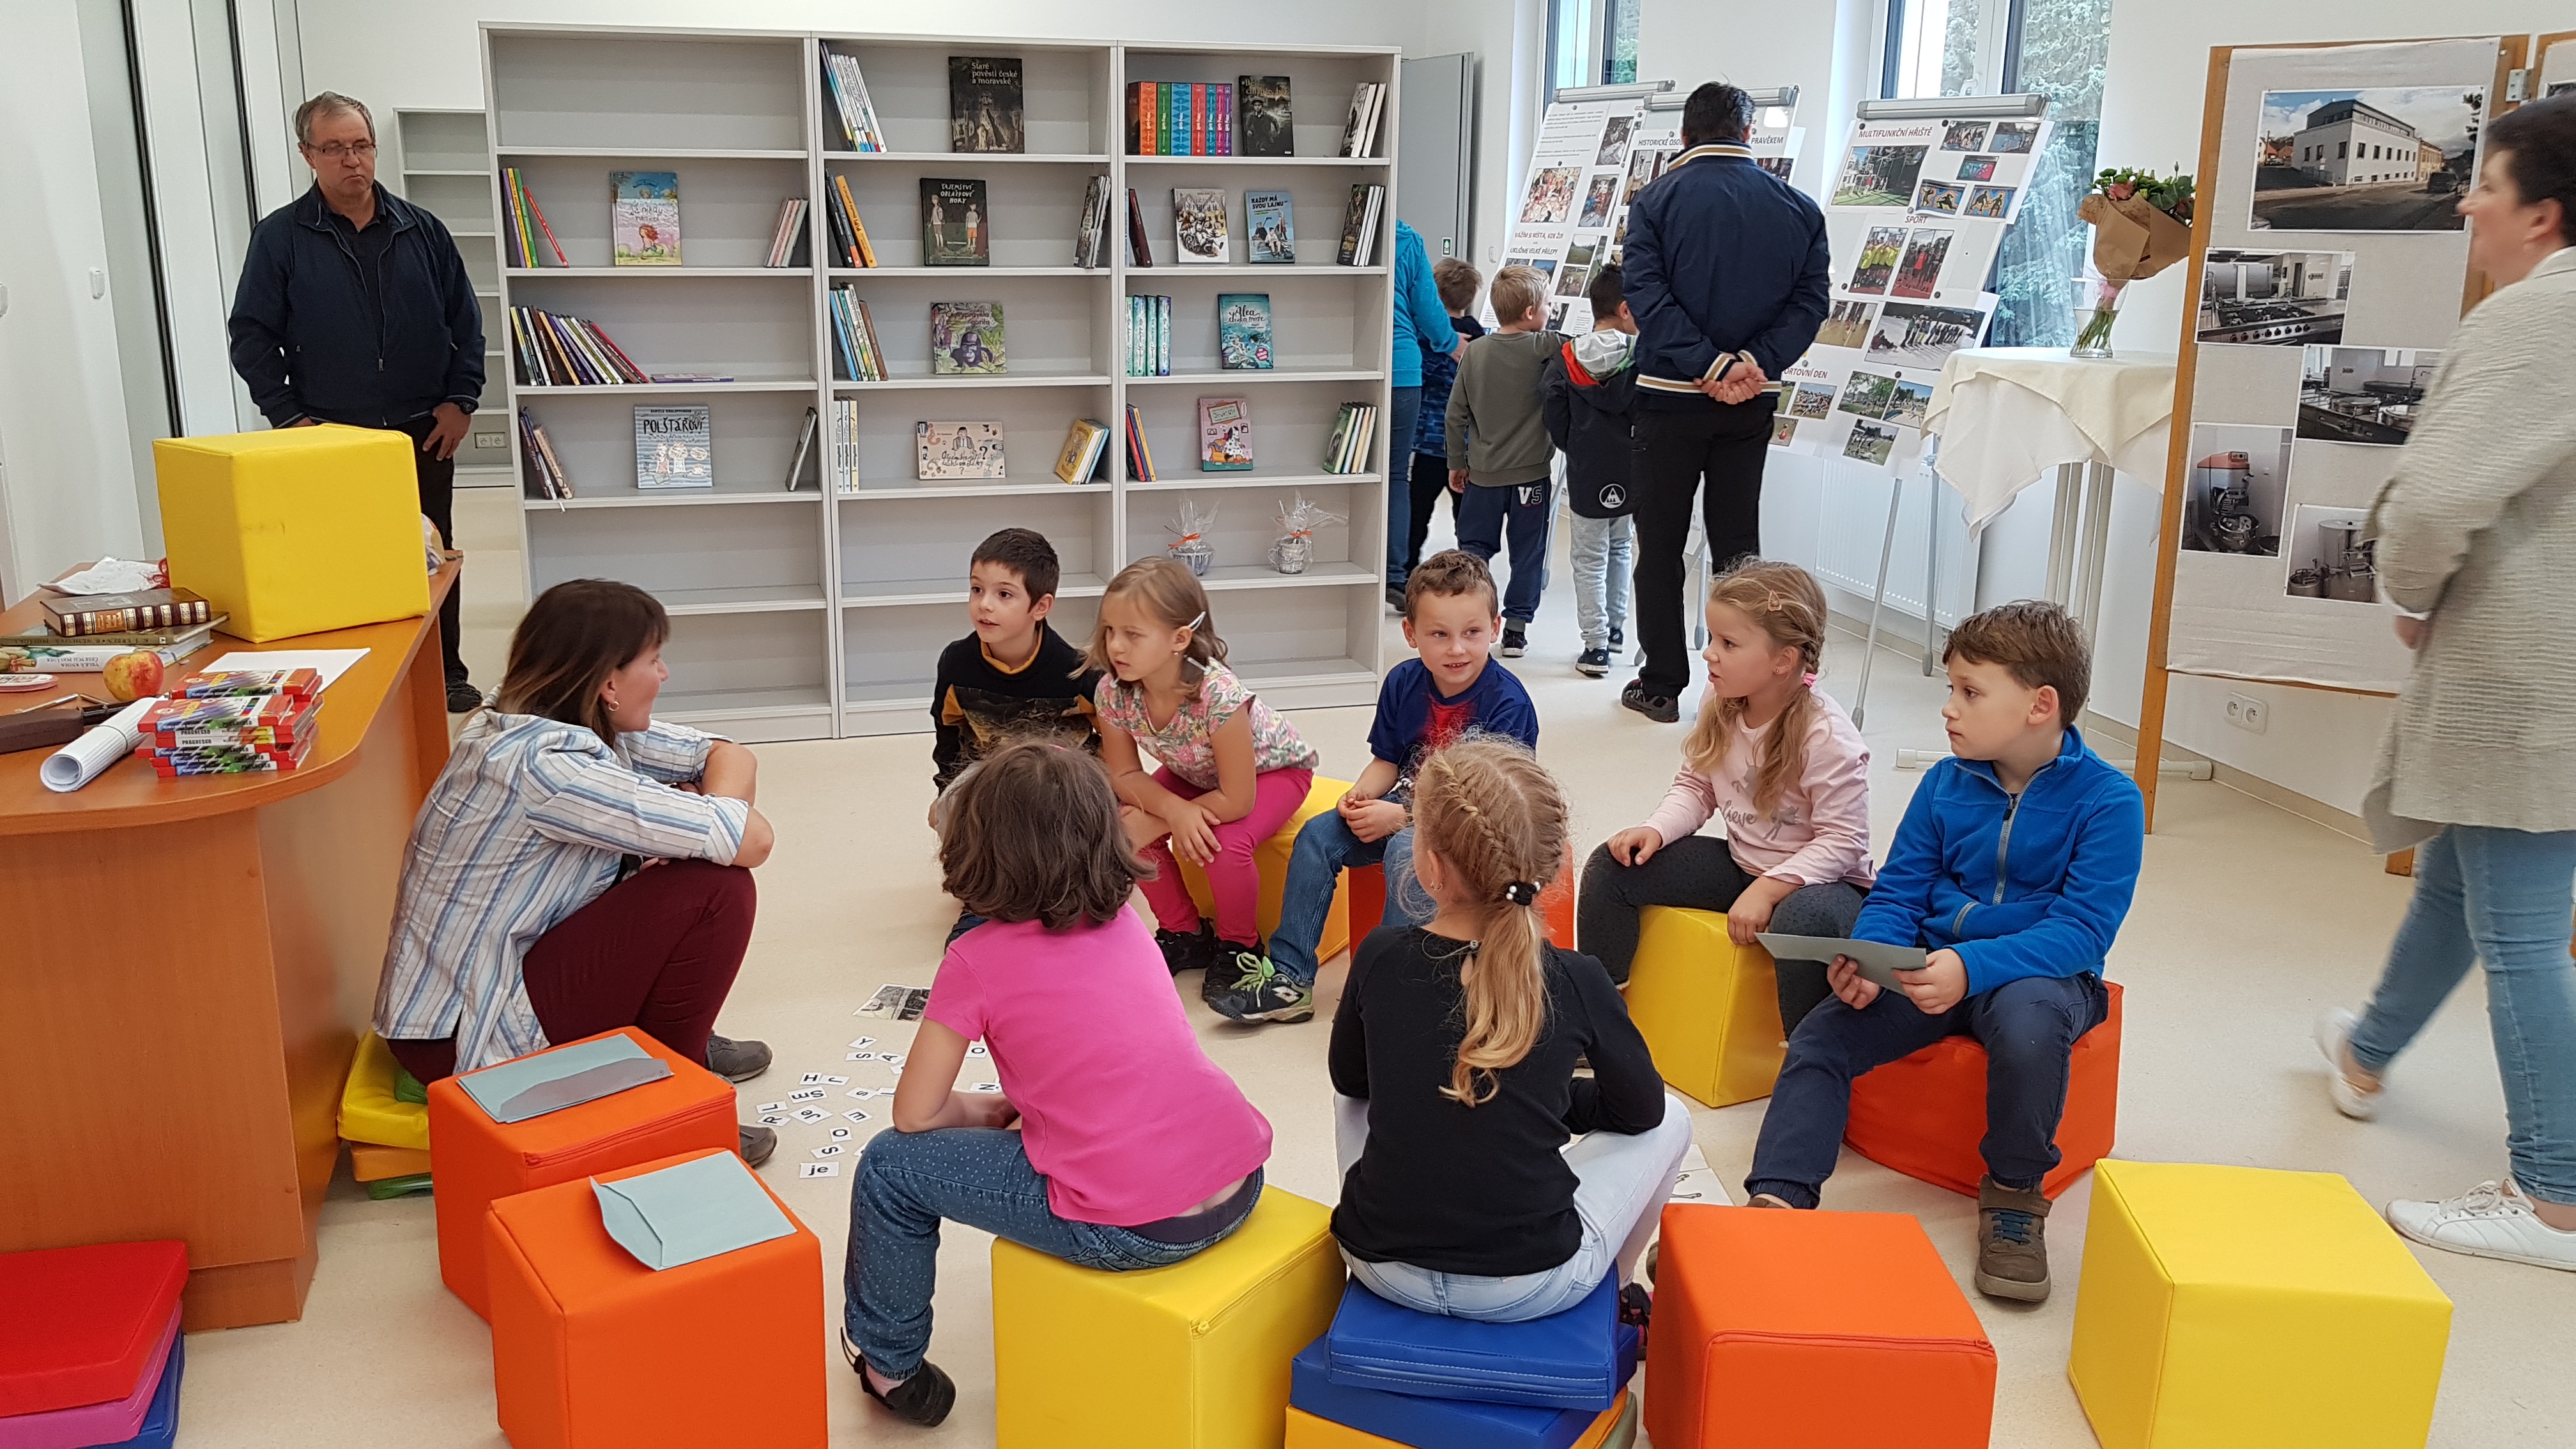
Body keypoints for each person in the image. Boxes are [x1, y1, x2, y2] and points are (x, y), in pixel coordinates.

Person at [2316, 95, 2576, 1270]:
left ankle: (2554, 1195)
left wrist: (2411, 592)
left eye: (2488, 183)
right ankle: (2367, 1052)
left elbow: (2432, 500)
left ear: (2543, 213)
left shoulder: (2536, 315)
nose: (2467, 202)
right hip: (2549, 661)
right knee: (2457, 875)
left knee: (2520, 932)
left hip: (2526, 668)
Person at [844, 742, 1272, 1427]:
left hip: (1136, 1229)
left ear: (973, 852)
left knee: (888, 1168)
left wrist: (989, 1111)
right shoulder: (1129, 918)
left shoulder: (972, 958)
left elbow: (915, 1115)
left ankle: (888, 1366)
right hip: (1239, 1183)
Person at [1742, 601, 2140, 1303]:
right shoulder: (1944, 784)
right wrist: (1876, 959)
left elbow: (2082, 931)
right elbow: (1899, 890)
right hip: (1930, 964)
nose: (1949, 709)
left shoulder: (2110, 802)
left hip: (2043, 975)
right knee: (1822, 1037)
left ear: (2041, 706)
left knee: (2028, 1030)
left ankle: (2014, 1197)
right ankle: (1779, 1198)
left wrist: (1971, 968)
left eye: (1970, 692)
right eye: (1951, 689)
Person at [370, 579, 779, 1162]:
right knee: (715, 889)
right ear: (609, 683)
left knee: (698, 865)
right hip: (458, 1035)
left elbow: (729, 754)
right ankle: (676, 1111)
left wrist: (708, 816)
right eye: (654, 660)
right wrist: (709, 825)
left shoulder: (553, 714)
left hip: (494, 976)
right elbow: (753, 841)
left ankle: (661, 1056)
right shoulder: (548, 767)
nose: (665, 675)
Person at [1331, 738, 1691, 1324]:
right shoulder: (1577, 976)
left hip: (1379, 1266)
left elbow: (1351, 1082)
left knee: (1356, 1092)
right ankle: (1619, 1293)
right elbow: (1642, 1110)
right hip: (1530, 1286)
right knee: (1675, 1117)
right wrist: (1546, 1099)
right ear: (1547, 867)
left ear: (1431, 866)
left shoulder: (1380, 952)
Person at [228, 92, 486, 714]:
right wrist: (289, 417)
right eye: (335, 148)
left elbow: (466, 322)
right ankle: (362, 678)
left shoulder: (422, 230)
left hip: (421, 429)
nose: (352, 160)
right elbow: (251, 335)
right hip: (329, 435)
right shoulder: (281, 237)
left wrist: (461, 400)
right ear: (308, 155)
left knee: (432, 555)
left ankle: (444, 670)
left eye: (362, 145)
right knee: (339, 559)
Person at [1215, 551, 1538, 1024]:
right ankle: (1289, 979)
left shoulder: (1508, 704)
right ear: (1410, 634)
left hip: (1476, 829)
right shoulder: (1403, 682)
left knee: (1406, 850)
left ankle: (1391, 989)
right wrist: (1361, 795)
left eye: (1471, 633)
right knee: (1317, 836)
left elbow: (1493, 807)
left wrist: (1404, 818)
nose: (1457, 649)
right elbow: (1387, 761)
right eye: (1439, 635)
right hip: (1406, 805)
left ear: (1494, 628)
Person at [1620, 82, 1830, 723]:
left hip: (1669, 398)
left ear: (1684, 135)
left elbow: (1647, 297)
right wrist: (1752, 364)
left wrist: (1709, 365)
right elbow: (1810, 303)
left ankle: (1662, 685)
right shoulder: (1798, 207)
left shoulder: (1654, 201)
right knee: (1739, 548)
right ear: (1748, 135)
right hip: (1751, 402)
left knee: (1660, 544)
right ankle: (1746, 689)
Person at [1579, 561, 1870, 1020]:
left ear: (1783, 661)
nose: (1709, 654)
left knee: (1799, 922)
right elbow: (1697, 786)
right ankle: (1599, 1018)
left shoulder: (1828, 737)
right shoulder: (1720, 700)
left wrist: (1769, 890)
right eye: (1713, 639)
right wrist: (1656, 830)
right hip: (1743, 865)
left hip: (1824, 887)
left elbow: (1844, 841)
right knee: (1612, 866)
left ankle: (1808, 1052)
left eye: (1728, 644)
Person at [1089, 559, 1321, 995]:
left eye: (1132, 634)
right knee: (1124, 830)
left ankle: (1240, 945)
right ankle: (1185, 933)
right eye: (1109, 631)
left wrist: (1171, 816)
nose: (1115, 646)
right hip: (1194, 771)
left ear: (1180, 639)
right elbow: (1123, 772)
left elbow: (1236, 799)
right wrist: (1171, 810)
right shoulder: (1112, 690)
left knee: (1224, 845)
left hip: (1272, 773)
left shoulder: (1218, 694)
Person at [928, 528, 1101, 940]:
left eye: (1004, 594)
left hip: (1062, 784)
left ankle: (1067, 889)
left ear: (1040, 606)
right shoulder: (956, 662)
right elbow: (947, 737)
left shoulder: (1079, 671)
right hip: (990, 779)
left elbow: (1112, 748)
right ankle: (984, 901)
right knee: (949, 809)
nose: (984, 605)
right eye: (977, 589)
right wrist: (945, 793)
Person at [1446, 264, 1563, 659]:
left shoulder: (1476, 351)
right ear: (1531, 312)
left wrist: (1457, 461)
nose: (1551, 311)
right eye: (1548, 305)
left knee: (1473, 550)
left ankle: (1472, 622)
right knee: (1528, 551)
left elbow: (1456, 414)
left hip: (1483, 476)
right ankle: (1515, 629)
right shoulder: (1546, 346)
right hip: (1531, 478)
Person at [1543, 263, 1643, 678]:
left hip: (1587, 468)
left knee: (1588, 559)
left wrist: (1575, 445)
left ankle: (1595, 646)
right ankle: (1616, 629)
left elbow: (1554, 410)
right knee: (1621, 548)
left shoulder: (1565, 359)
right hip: (1632, 467)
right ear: (1625, 309)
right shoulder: (1641, 357)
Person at [1388, 220, 1464, 607]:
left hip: (1347, 366)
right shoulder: (1405, 239)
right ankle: (1394, 575)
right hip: (1400, 370)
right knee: (1394, 476)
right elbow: (1427, 308)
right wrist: (1451, 343)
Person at [1408, 259, 1487, 573]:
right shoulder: (1480, 340)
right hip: (1466, 447)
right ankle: (1472, 572)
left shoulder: (1425, 339)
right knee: (1467, 517)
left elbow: (1421, 376)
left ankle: (1405, 569)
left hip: (1430, 444)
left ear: (1435, 295)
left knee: (1417, 512)